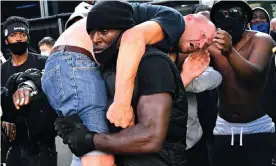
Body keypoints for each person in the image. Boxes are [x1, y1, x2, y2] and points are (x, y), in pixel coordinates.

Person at [53, 1, 204, 165]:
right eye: (91, 32)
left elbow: (150, 138)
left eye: (104, 31)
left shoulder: (152, 62)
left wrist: (90, 140)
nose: (95, 39)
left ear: (124, 31)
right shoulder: (110, 67)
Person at [207, 1, 275, 166]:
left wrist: (229, 51)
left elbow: (254, 76)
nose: (228, 18)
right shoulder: (212, 45)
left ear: (245, 18)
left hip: (258, 127)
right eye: (221, 14)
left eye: (234, 13)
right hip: (224, 127)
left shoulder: (261, 40)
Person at [1, 16, 57, 166]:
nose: (19, 39)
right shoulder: (1, 70)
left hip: (43, 145)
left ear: (28, 37)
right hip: (13, 145)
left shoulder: (44, 63)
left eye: (22, 35)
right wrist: (4, 120)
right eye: (13, 35)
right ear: (6, 40)